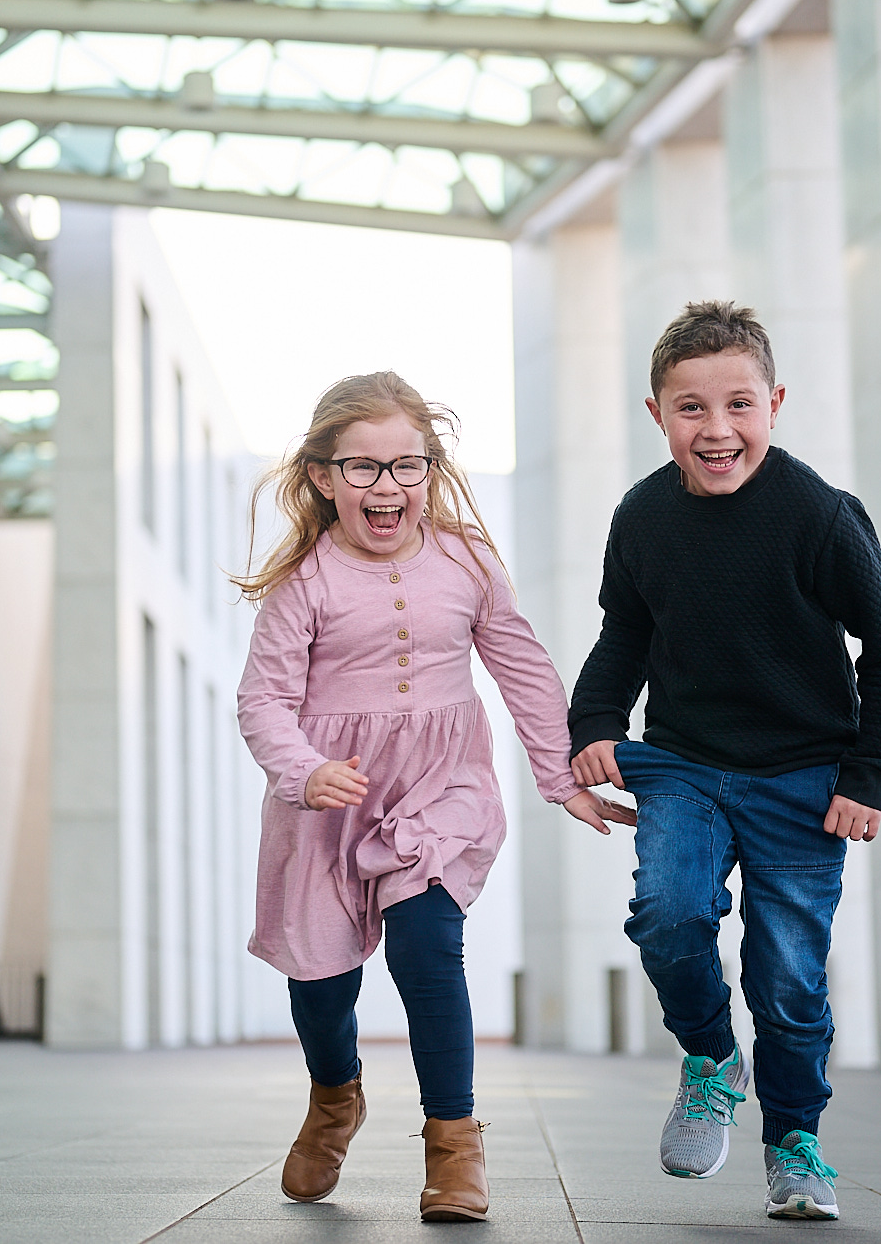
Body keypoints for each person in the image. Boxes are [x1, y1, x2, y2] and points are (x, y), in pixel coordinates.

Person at [236, 372, 632, 1224]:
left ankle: (454, 1143)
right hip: (326, 802)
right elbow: (262, 699)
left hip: (440, 787)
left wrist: (560, 773)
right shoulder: (303, 582)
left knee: (425, 943)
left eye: (406, 466)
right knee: (322, 986)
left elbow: (521, 668)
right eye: (365, 468)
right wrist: (304, 770)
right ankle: (336, 1094)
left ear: (431, 468)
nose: (388, 487)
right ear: (323, 476)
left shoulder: (465, 560)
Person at [568, 302, 881, 1223]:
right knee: (667, 911)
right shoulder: (641, 516)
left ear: (776, 403)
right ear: (657, 414)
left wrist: (868, 775)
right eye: (691, 409)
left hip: (806, 776)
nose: (716, 430)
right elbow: (625, 632)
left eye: (738, 405)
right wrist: (597, 718)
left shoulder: (820, 515)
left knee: (788, 976)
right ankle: (711, 1058)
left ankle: (796, 1143)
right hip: (682, 761)